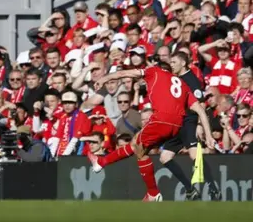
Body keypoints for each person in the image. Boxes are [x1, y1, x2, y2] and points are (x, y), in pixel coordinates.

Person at [87, 62, 215, 201]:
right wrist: (208, 136)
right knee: (138, 145)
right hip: (177, 125)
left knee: (139, 148)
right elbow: (201, 111)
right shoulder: (183, 85)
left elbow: (123, 73)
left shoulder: (154, 71)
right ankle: (102, 162)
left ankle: (153, 193)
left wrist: (103, 79)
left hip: (161, 119)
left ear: (160, 68)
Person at [164, 51, 221, 200]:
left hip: (189, 121)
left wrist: (200, 125)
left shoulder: (191, 80)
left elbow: (201, 104)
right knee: (164, 157)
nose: (171, 65)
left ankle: (213, 188)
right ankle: (190, 189)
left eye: (174, 62)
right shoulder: (176, 79)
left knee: (194, 155)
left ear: (183, 63)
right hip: (177, 123)